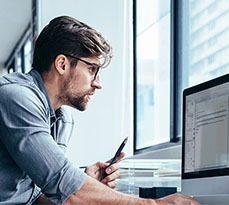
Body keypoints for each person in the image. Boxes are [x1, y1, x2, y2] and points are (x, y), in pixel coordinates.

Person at [0, 15, 200, 205]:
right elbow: (61, 182)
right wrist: (154, 203)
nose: (98, 84)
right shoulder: (16, 97)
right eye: (92, 69)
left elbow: (38, 197)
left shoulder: (62, 118)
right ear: (62, 64)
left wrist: (86, 185)